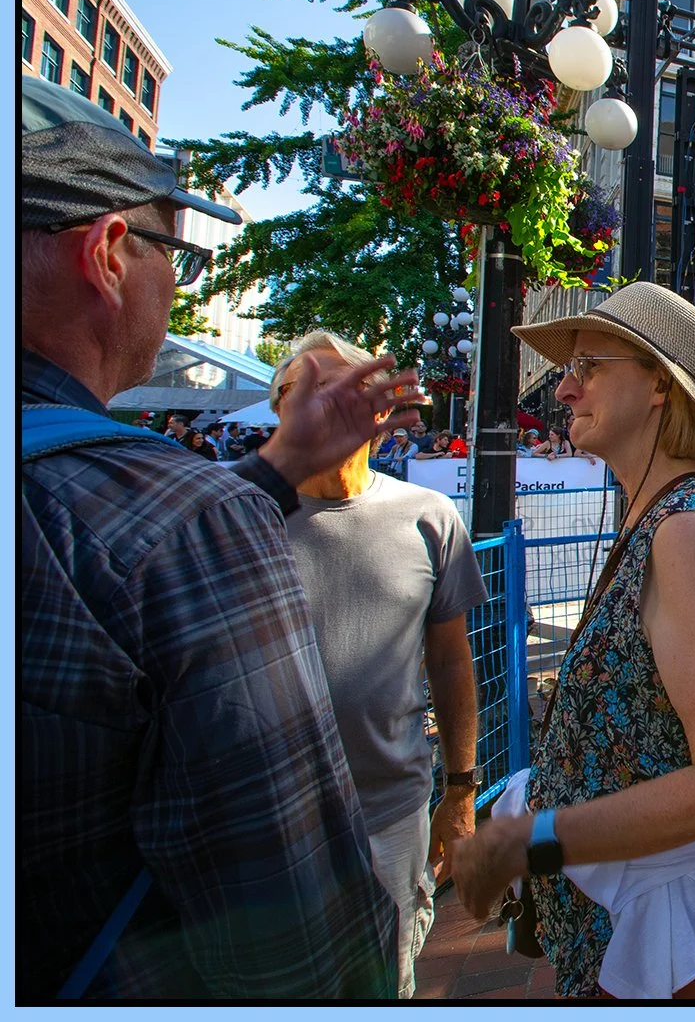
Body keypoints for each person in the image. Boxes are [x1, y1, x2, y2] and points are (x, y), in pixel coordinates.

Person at [20, 73, 418, 998]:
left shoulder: (179, 512)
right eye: (177, 254)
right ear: (109, 253)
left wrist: (275, 467)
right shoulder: (189, 521)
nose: (176, 282)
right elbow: (302, 934)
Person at [452, 282, 695, 1000]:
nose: (564, 389)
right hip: (645, 926)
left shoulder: (684, 530)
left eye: (588, 366)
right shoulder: (660, 513)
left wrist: (532, 840)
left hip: (676, 942)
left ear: (660, 384)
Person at [271, 330, 488, 999]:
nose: (327, 406)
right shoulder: (233, 513)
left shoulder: (429, 516)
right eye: (305, 390)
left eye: (346, 390)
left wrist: (461, 790)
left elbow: (451, 662)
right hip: (261, 827)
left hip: (390, 817)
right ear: (279, 408)